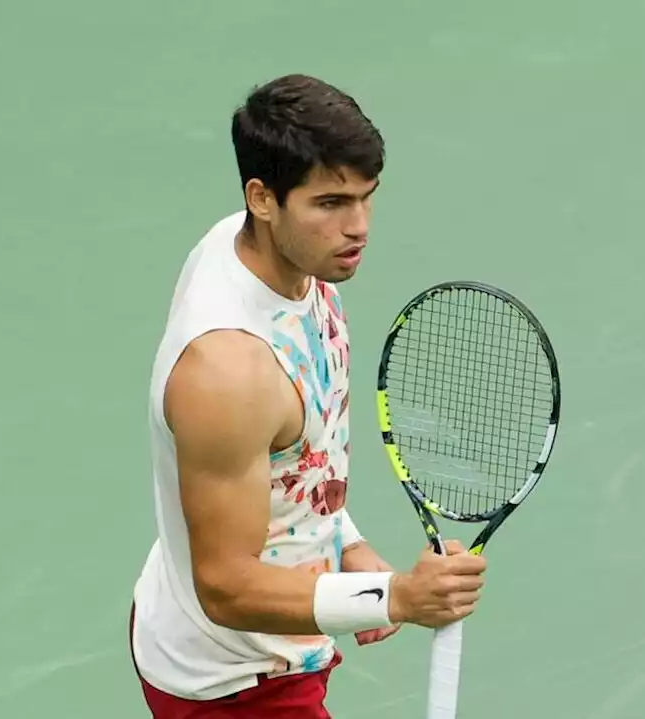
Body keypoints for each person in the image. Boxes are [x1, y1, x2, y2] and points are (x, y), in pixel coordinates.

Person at [128, 73, 487, 718]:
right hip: (234, 684)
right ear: (262, 199)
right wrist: (393, 598)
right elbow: (227, 586)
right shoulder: (227, 371)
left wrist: (348, 549)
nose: (358, 227)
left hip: (273, 642)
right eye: (330, 203)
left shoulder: (276, 259)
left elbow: (294, 461)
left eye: (366, 198)